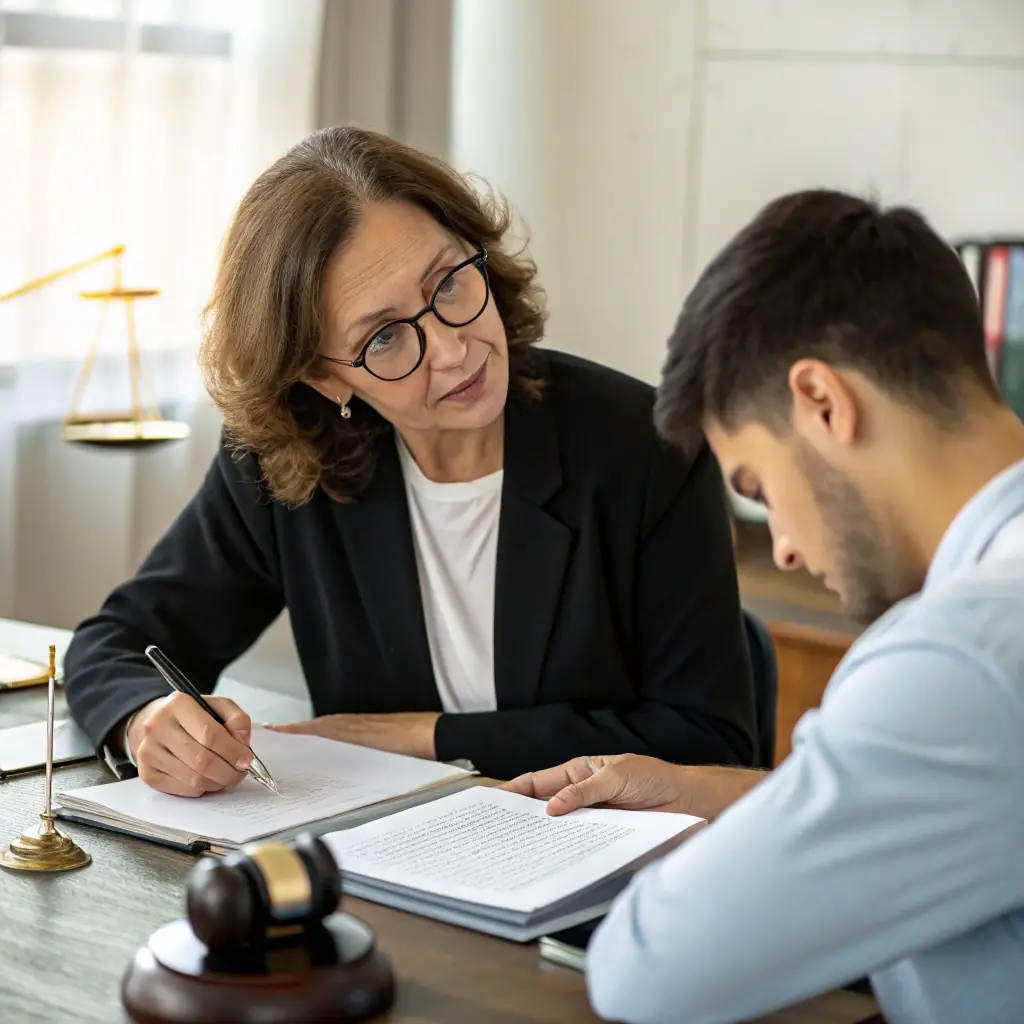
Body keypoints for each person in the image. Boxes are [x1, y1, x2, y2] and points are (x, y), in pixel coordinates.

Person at [63, 126, 756, 797]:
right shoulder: (285, 465)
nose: (453, 350)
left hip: (599, 853)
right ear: (324, 378)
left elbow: (708, 743)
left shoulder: (645, 447)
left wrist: (426, 737)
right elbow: (116, 645)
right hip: (384, 853)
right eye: (387, 337)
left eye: (448, 283)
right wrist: (146, 721)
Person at [505, 190, 1024, 1024]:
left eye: (758, 488)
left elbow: (648, 969)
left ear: (823, 402)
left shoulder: (959, 659)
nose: (781, 546)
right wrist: (713, 795)